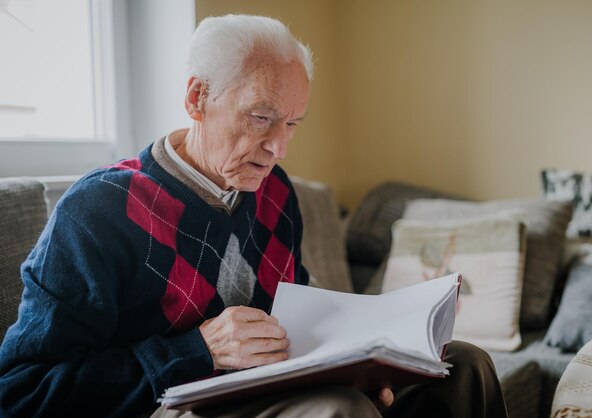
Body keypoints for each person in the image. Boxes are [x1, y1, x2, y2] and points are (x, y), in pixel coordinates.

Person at [0, 14, 508, 418]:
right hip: (168, 401)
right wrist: (199, 351)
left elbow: (296, 325)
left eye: (292, 123)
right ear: (198, 98)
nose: (278, 147)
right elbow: (21, 391)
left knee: (464, 367)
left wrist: (361, 368)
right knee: (338, 408)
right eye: (261, 116)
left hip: (263, 392)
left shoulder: (274, 193)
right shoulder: (100, 210)